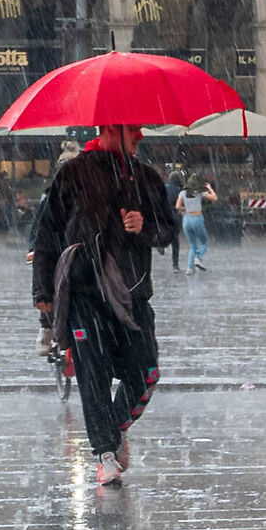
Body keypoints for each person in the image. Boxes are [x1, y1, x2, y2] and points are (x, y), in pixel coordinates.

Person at [32, 125, 178, 487]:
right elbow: (47, 234)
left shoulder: (144, 177)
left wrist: (144, 226)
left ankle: (113, 430)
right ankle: (105, 454)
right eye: (133, 129)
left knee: (146, 372)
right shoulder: (74, 175)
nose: (140, 136)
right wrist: (43, 296)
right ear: (112, 128)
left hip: (132, 293)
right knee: (92, 377)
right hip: (84, 292)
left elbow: (168, 230)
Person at [175, 175, 215, 272]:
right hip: (197, 218)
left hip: (186, 219)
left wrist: (186, 209)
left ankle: (190, 268)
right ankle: (198, 257)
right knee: (204, 241)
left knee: (192, 245)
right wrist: (210, 188)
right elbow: (214, 198)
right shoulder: (200, 193)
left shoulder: (182, 193)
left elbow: (177, 206)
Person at [166, 165, 187, 271]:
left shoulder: (163, 188)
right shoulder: (180, 191)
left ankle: (161, 245)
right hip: (176, 218)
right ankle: (175, 264)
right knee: (175, 241)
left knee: (164, 234)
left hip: (165, 217)